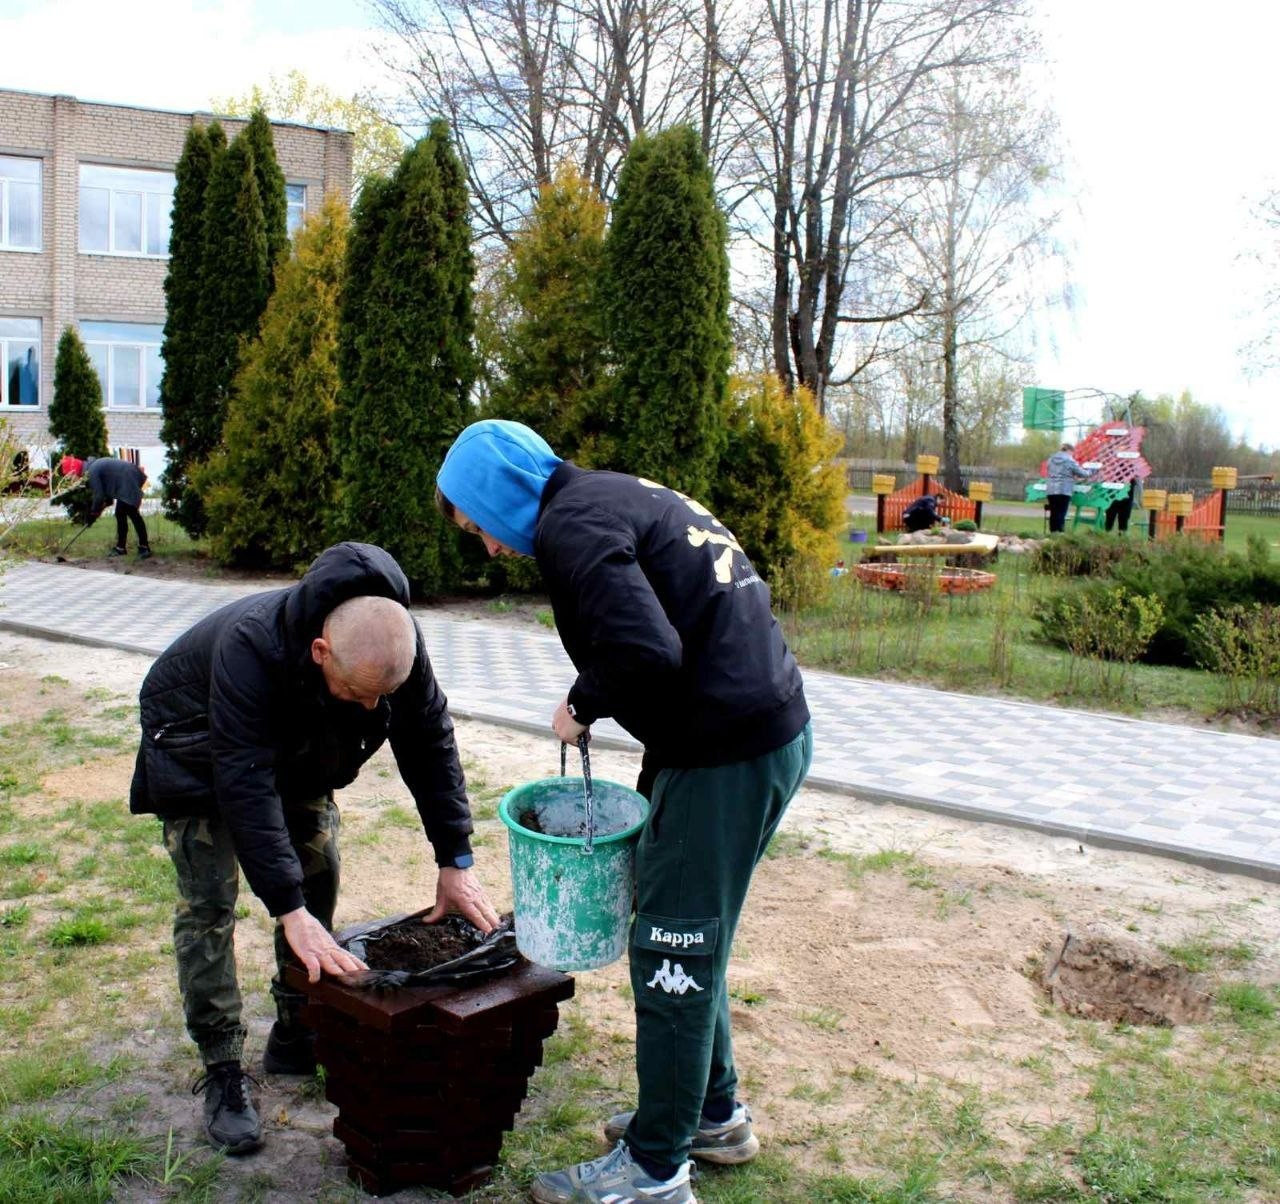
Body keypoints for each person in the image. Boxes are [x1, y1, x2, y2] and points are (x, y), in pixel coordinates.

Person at [437, 421, 813, 1204]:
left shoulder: (571, 527)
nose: (491, 550)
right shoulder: (608, 495)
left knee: (671, 948)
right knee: (687, 933)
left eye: (481, 527)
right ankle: (713, 1114)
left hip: (727, 754)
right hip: (748, 734)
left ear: (500, 496)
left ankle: (654, 1171)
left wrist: (582, 702)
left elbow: (647, 651)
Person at [129, 541, 500, 1156]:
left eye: (383, 697)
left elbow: (429, 738)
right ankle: (222, 1065)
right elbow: (243, 781)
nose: (372, 709)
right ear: (320, 651)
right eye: (359, 694)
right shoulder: (250, 646)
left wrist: (454, 859)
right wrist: (286, 909)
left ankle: (298, 1025)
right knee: (209, 902)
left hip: (294, 742)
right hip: (196, 744)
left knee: (319, 868)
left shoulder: (390, 639)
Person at [60, 453, 151, 559]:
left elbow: (99, 496)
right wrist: (99, 509)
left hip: (128, 478)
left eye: (70, 476)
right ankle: (121, 548)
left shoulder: (91, 472)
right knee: (121, 514)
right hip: (128, 476)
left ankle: (144, 547)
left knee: (132, 513)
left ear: (74, 471)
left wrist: (93, 513)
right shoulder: (92, 468)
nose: (71, 480)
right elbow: (107, 496)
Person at [1045, 443, 1093, 534]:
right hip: (1064, 489)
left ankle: (1053, 533)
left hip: (1051, 489)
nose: (1072, 455)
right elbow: (1082, 473)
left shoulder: (1051, 459)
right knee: (1061, 512)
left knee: (1054, 512)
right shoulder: (1069, 460)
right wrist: (1091, 471)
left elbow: (1050, 471)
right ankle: (1060, 533)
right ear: (1069, 451)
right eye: (1072, 453)